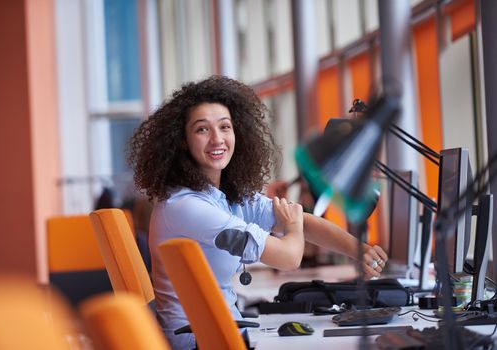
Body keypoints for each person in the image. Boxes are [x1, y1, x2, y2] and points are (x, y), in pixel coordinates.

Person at [127, 75, 388, 349]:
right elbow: (289, 257)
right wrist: (293, 227)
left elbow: (301, 219)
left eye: (225, 127)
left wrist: (359, 251)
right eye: (202, 130)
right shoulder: (187, 208)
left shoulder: (224, 195)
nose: (217, 139)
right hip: (203, 342)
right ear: (182, 141)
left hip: (222, 332)